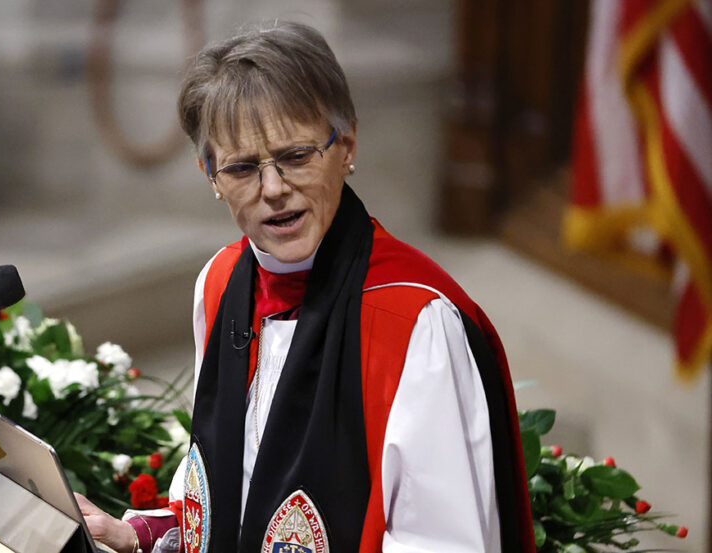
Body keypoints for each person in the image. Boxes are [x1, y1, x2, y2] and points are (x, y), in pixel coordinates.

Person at [76, 21, 534, 553]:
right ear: (210, 177)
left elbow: (443, 541)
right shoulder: (220, 284)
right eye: (242, 167)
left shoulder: (412, 323)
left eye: (295, 156)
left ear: (347, 146)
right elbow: (234, 485)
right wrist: (141, 533)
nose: (274, 190)